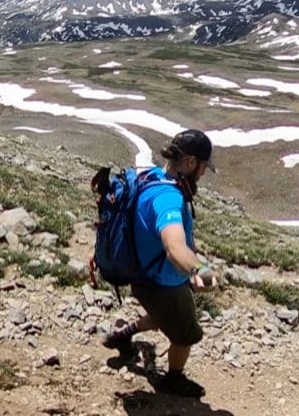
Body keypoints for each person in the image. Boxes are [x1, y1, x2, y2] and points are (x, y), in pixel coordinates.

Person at [102, 129, 220, 398]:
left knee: (165, 316)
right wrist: (199, 269)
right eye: (202, 167)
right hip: (161, 283)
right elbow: (173, 245)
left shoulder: (153, 176)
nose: (202, 173)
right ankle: (174, 379)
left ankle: (123, 335)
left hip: (143, 276)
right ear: (190, 162)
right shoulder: (168, 198)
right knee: (185, 334)